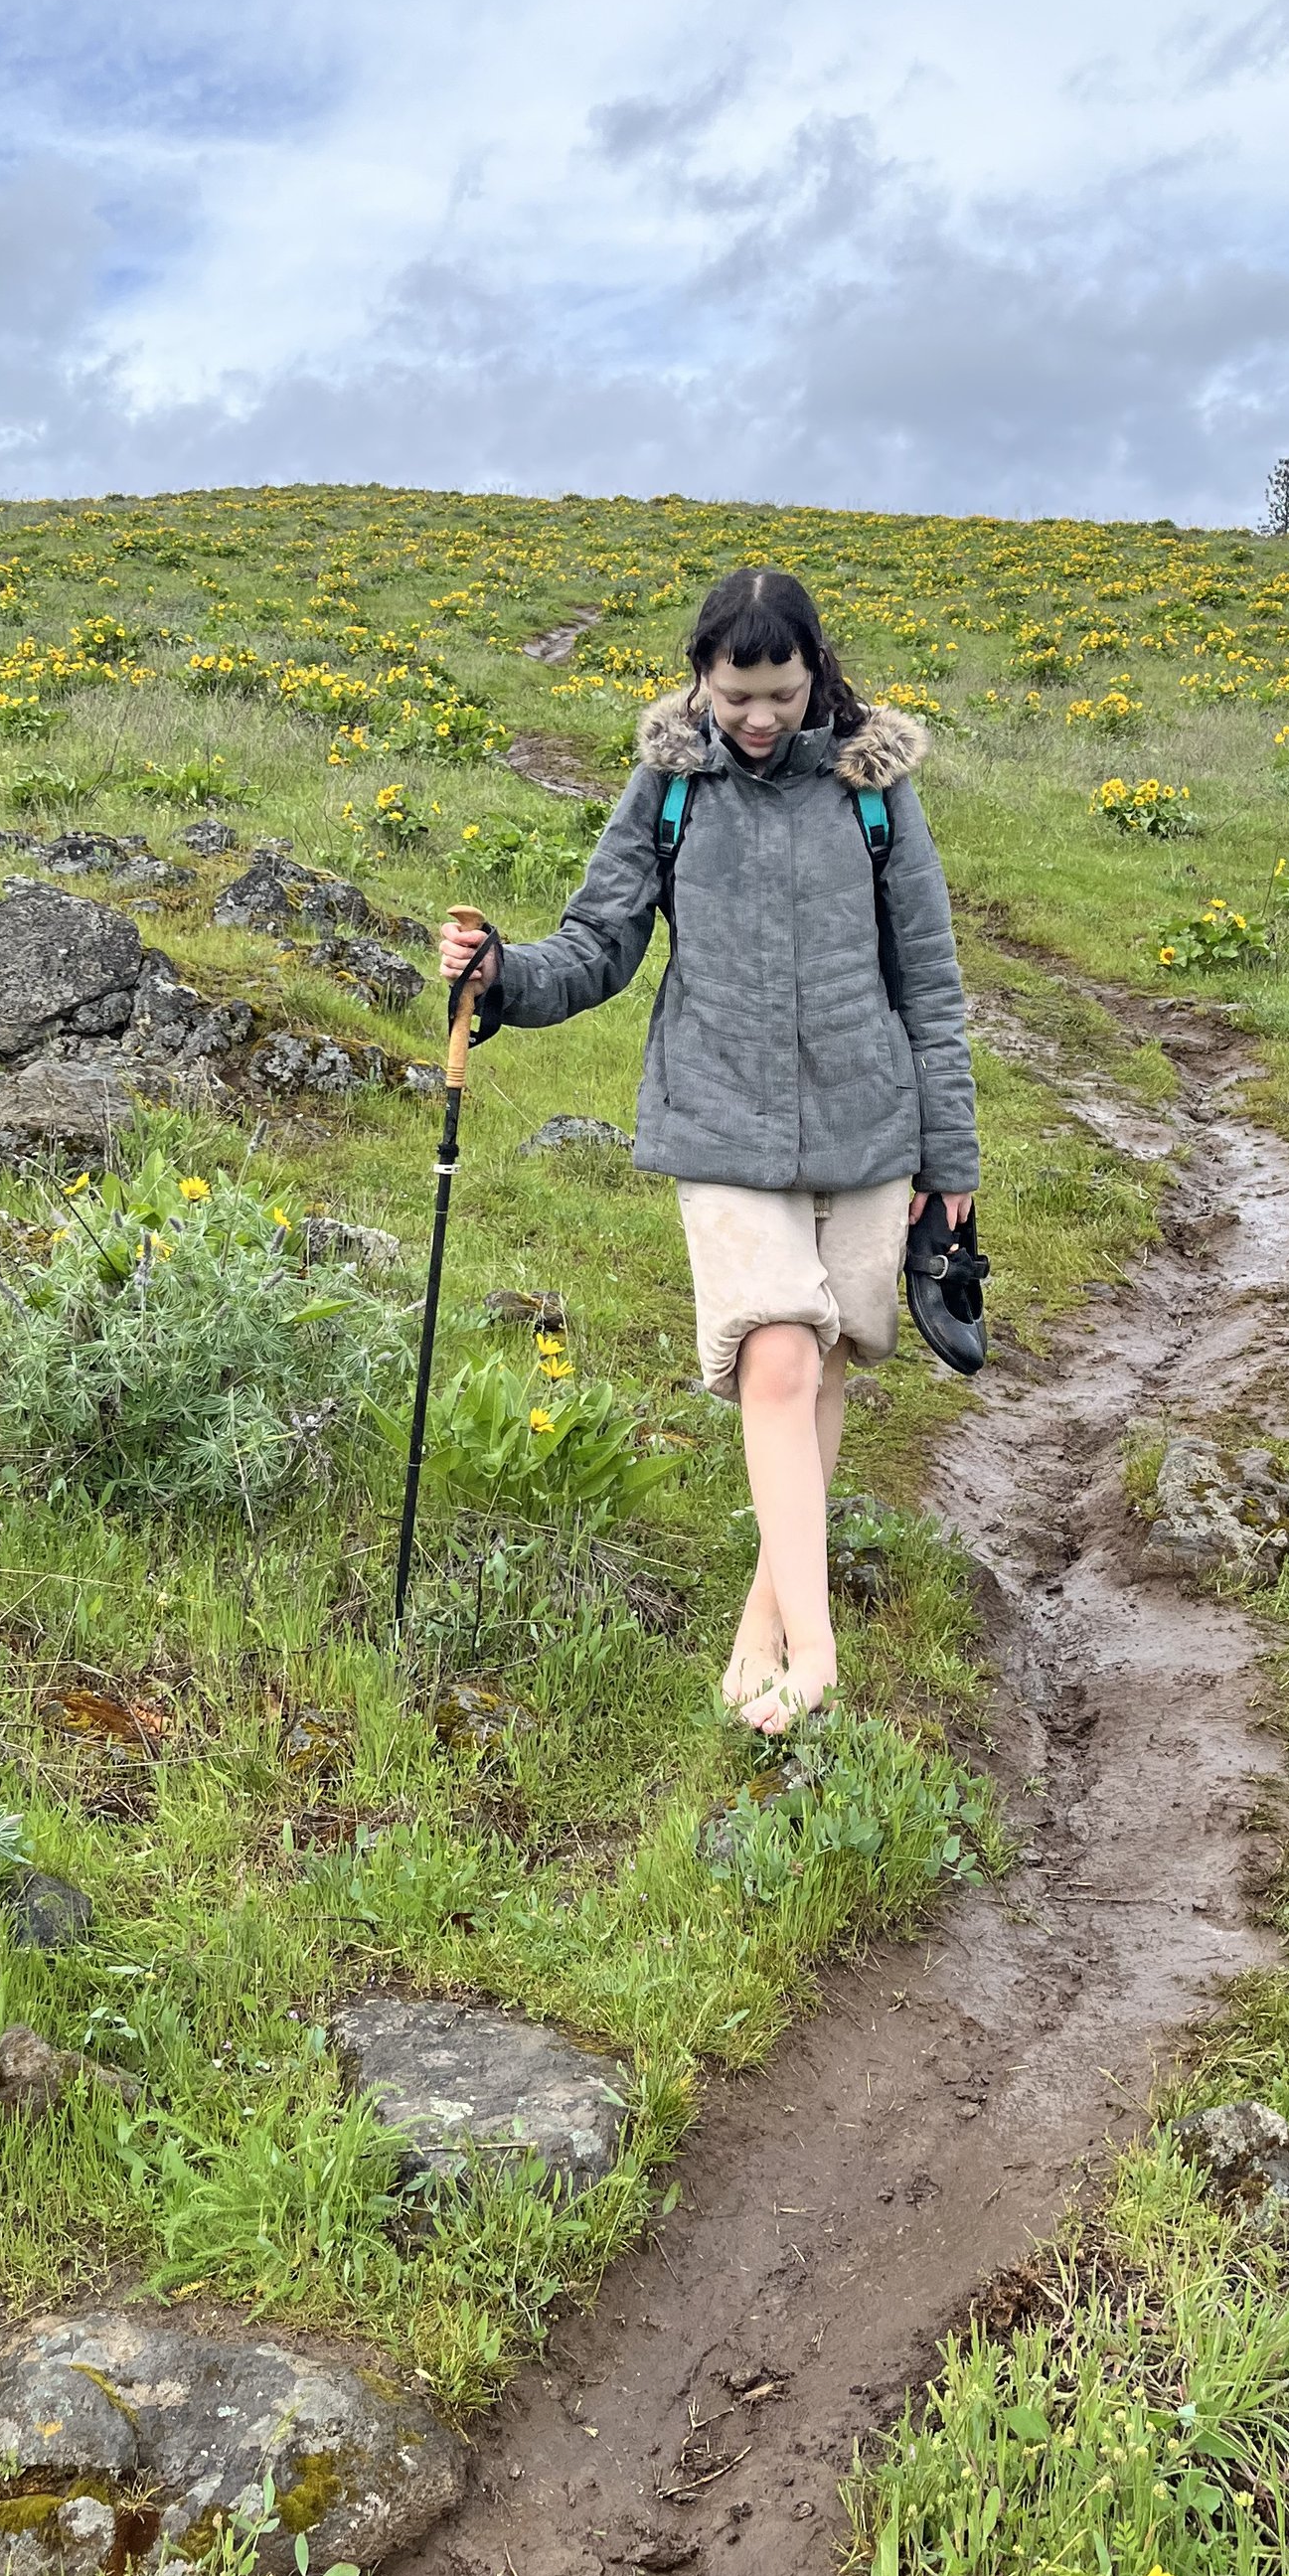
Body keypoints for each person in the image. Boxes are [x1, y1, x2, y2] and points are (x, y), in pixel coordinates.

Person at [437, 564, 979, 1733]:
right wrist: (503, 978)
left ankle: (761, 1629)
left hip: (868, 1122)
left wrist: (955, 1163)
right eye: (735, 693)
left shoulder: (873, 791)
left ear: (815, 674)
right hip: (719, 1117)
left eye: (780, 692)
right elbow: (601, 939)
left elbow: (929, 984)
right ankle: (819, 1655)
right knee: (776, 1360)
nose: (756, 718)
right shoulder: (668, 786)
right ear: (701, 677)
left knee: (826, 1370)